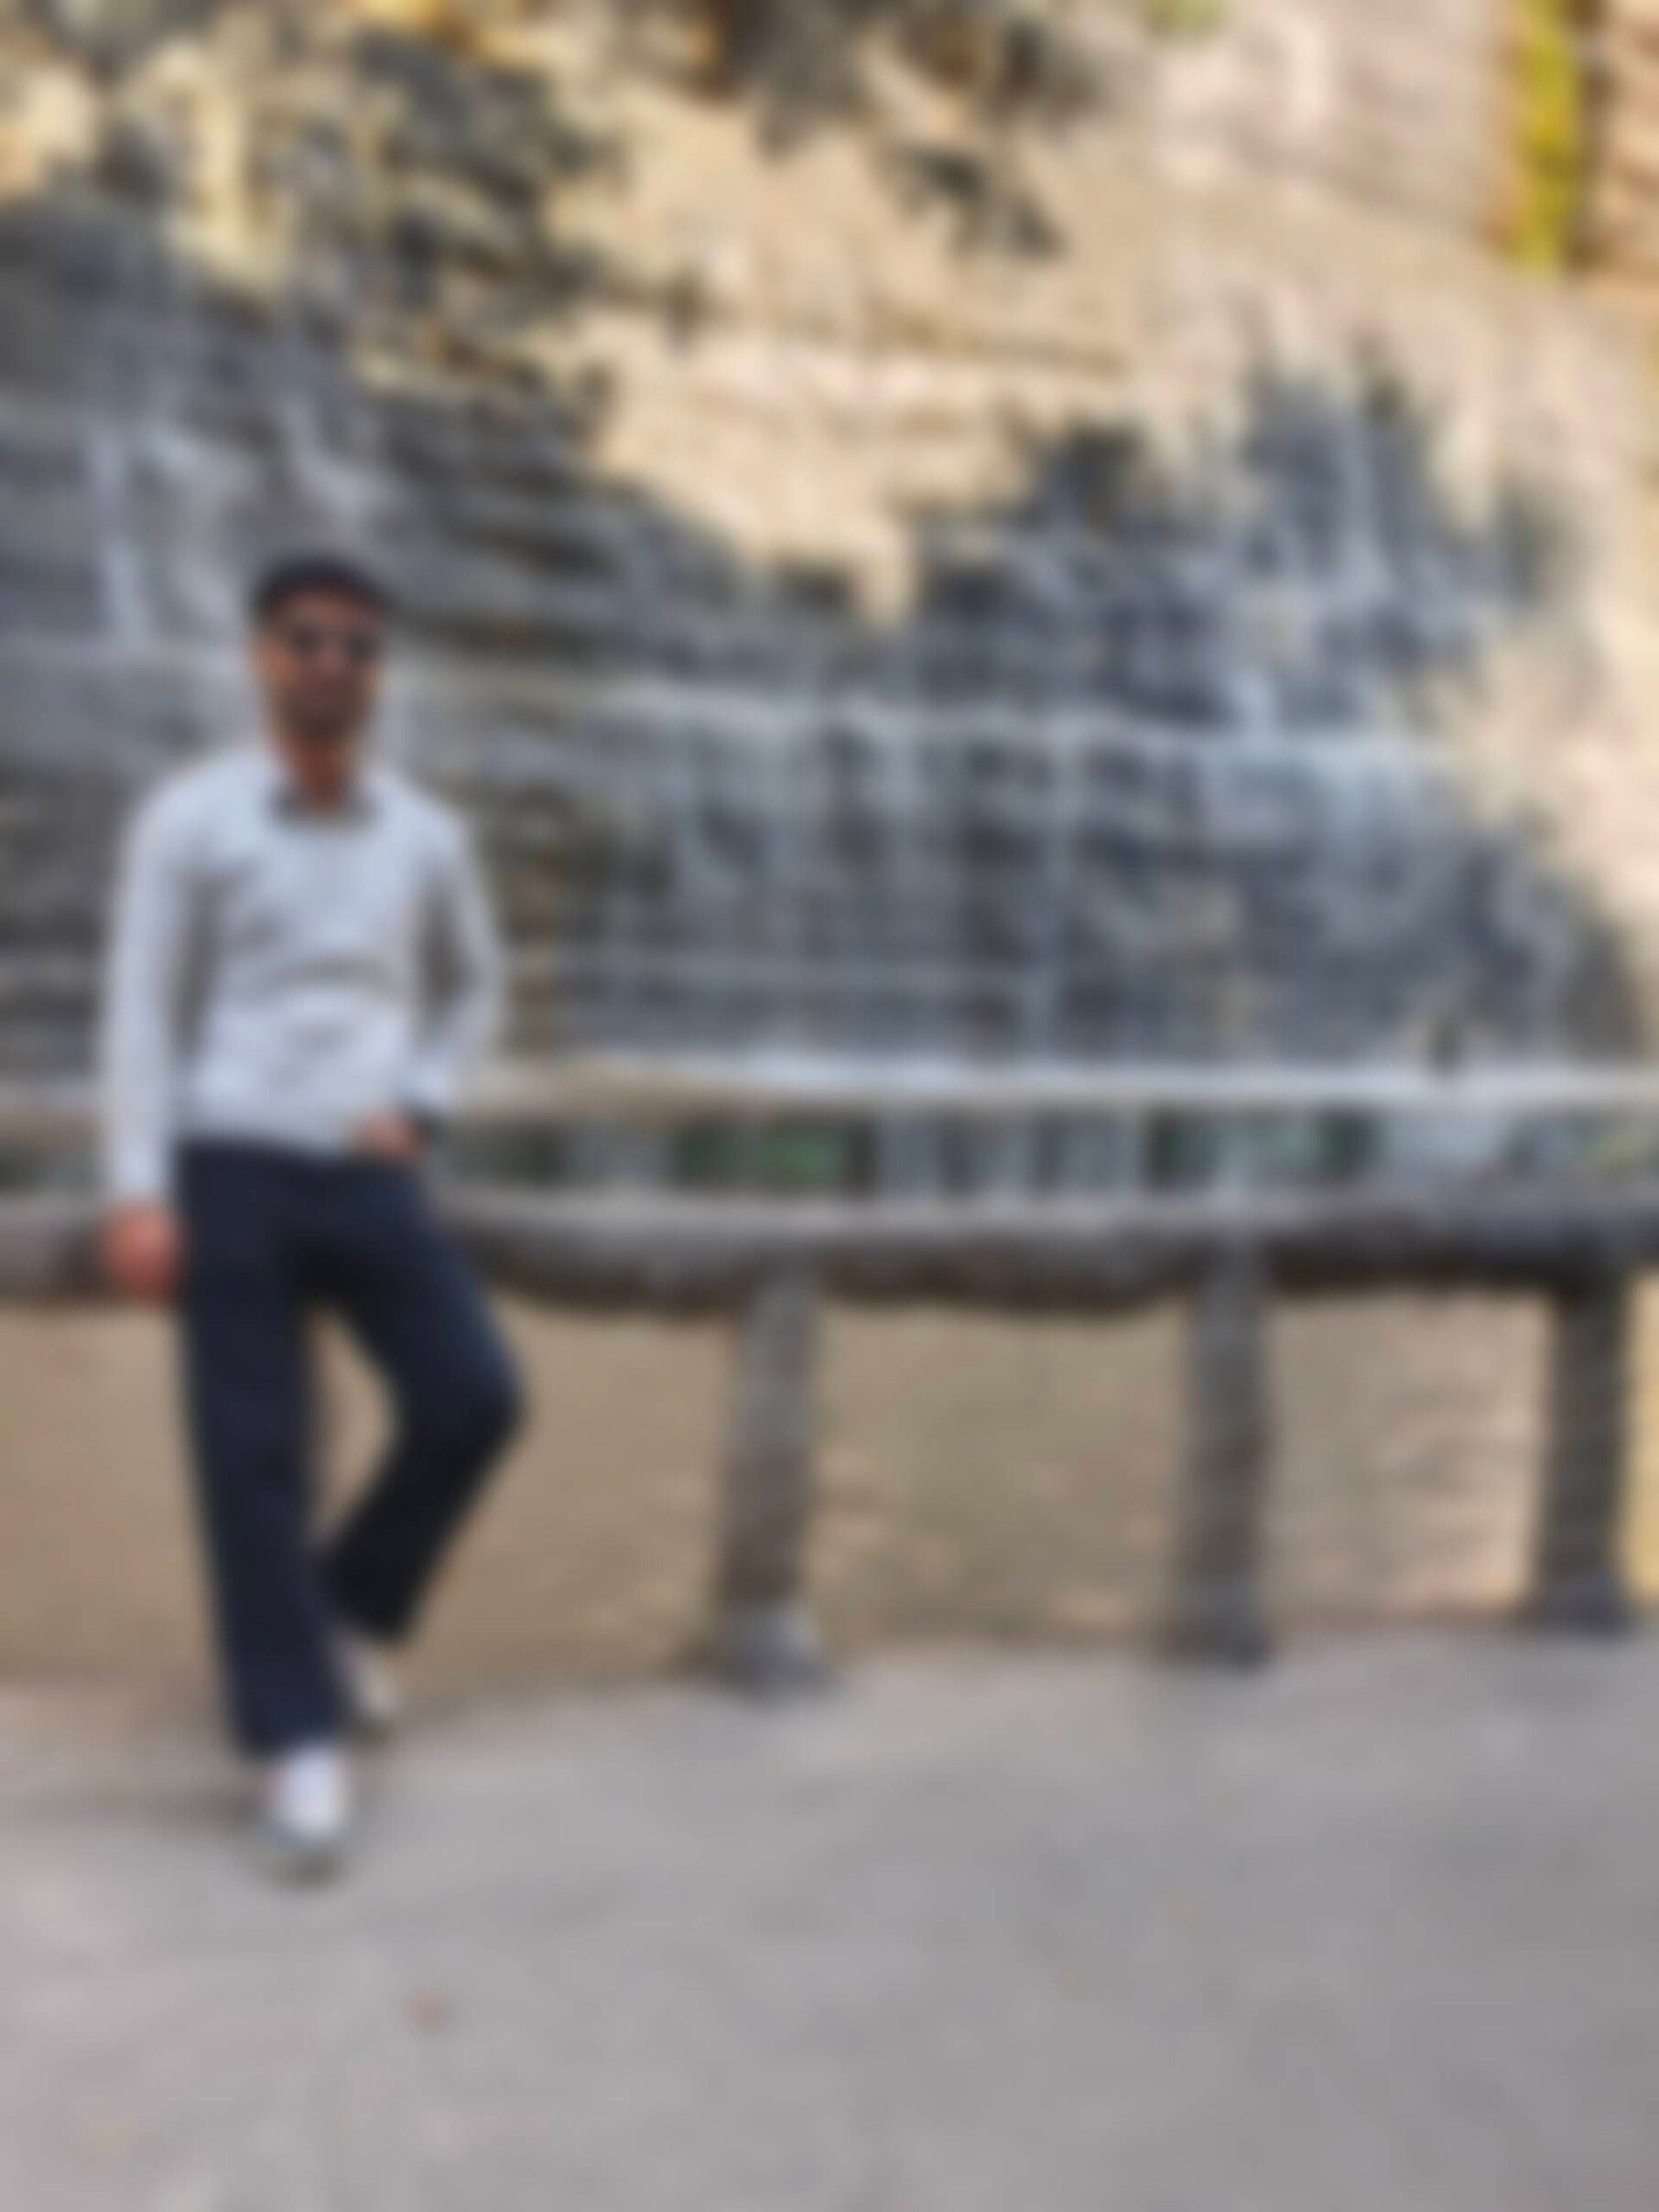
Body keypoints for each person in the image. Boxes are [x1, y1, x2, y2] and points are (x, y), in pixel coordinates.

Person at [100, 551, 524, 1881]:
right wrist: (136, 1187)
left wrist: (426, 1104)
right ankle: (297, 1743)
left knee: (474, 1396)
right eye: (306, 638)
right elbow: (141, 1008)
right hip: (231, 1157)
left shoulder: (426, 836)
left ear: (379, 672)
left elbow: (476, 986)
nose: (332, 662)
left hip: (366, 1162)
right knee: (253, 1456)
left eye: (356, 645)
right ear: (261, 656)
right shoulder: (191, 819)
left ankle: (346, 1614)